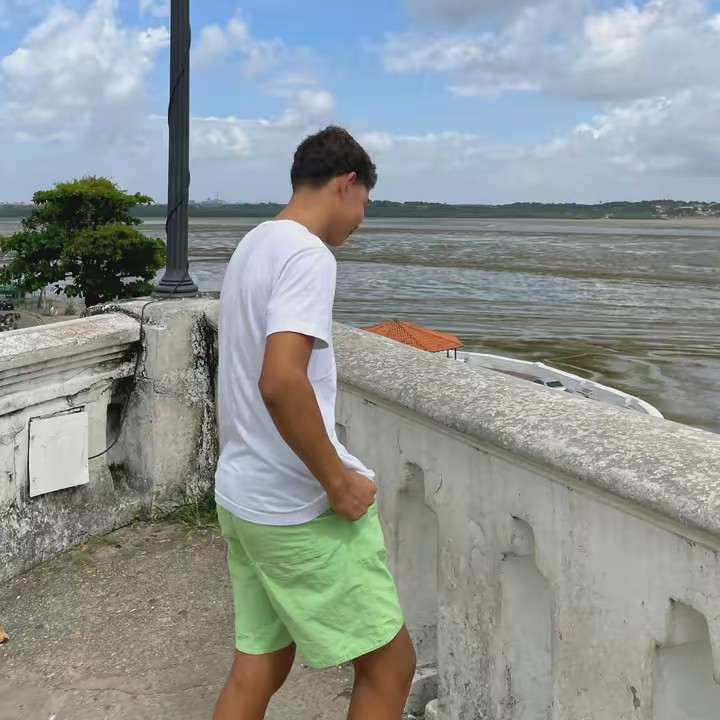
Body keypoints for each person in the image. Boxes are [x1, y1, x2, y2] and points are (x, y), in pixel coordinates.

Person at [213, 126, 416, 720]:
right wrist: (337, 481)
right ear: (346, 184)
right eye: (364, 204)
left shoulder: (255, 242)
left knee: (261, 663)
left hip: (244, 496)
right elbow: (281, 381)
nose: (360, 220)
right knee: (389, 668)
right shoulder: (308, 255)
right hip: (296, 507)